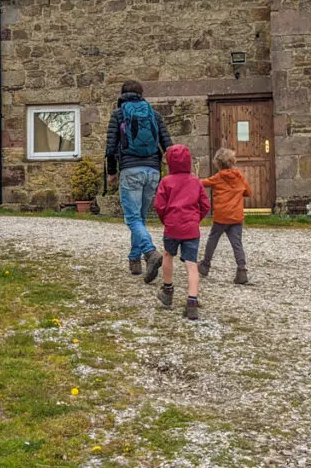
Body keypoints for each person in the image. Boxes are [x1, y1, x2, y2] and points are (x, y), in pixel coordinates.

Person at [105, 80, 173, 282]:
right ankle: (134, 260)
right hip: (152, 170)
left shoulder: (118, 114)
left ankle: (150, 253)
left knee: (132, 218)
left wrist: (111, 172)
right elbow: (168, 145)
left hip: (130, 169)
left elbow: (111, 147)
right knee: (140, 218)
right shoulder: (154, 114)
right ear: (141, 94)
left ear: (122, 94)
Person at [152, 144, 210, 320]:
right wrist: (195, 219)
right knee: (191, 264)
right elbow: (205, 205)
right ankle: (192, 301)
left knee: (168, 255)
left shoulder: (166, 182)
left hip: (172, 226)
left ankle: (168, 290)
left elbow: (159, 205)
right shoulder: (195, 181)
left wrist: (166, 220)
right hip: (191, 228)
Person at [199, 147, 252, 284]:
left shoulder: (218, 177)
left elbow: (203, 183)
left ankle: (205, 265)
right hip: (236, 216)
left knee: (213, 240)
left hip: (221, 216)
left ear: (217, 163)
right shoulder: (240, 177)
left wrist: (191, 179)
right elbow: (248, 192)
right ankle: (242, 270)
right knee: (237, 243)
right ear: (233, 161)